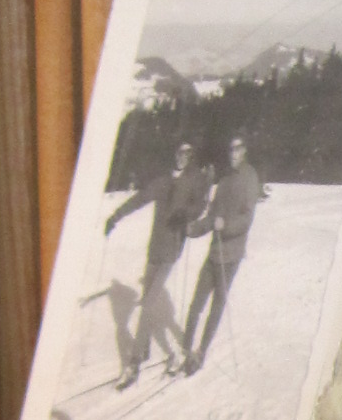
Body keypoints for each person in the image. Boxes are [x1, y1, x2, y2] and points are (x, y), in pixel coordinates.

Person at [105, 139, 206, 385]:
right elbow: (139, 199)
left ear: (191, 157)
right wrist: (115, 216)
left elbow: (199, 206)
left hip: (171, 252)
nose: (182, 157)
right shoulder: (163, 181)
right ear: (175, 154)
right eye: (180, 152)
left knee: (148, 303)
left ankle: (134, 363)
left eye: (187, 154)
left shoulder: (192, 181)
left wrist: (187, 215)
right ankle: (144, 348)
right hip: (155, 250)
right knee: (146, 300)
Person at [180, 135, 267, 374]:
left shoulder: (250, 177)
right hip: (214, 252)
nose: (233, 153)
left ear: (245, 150)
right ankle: (185, 349)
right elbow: (212, 216)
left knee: (216, 305)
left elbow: (246, 219)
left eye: (237, 148)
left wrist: (225, 225)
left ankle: (200, 352)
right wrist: (194, 229)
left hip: (231, 256)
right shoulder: (225, 179)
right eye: (230, 149)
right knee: (196, 303)